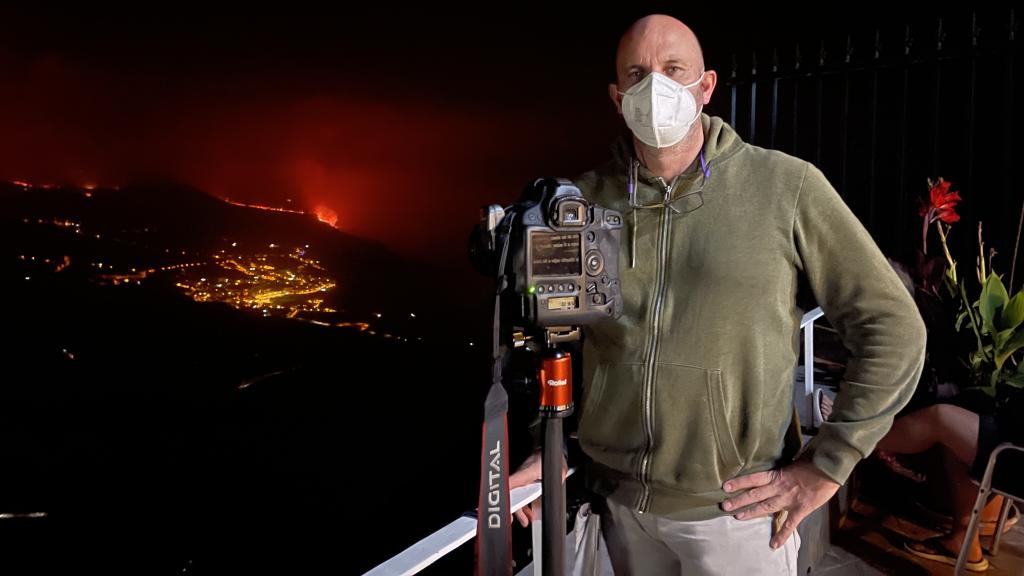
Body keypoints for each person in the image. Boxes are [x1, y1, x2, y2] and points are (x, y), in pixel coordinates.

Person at [510, 14, 927, 575]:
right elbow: (556, 339)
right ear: (616, 97)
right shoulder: (581, 202)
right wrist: (550, 445)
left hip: (736, 515)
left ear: (705, 87)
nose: (654, 87)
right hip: (609, 509)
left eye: (672, 69)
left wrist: (827, 465)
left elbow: (893, 326)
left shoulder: (784, 186)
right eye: (637, 74)